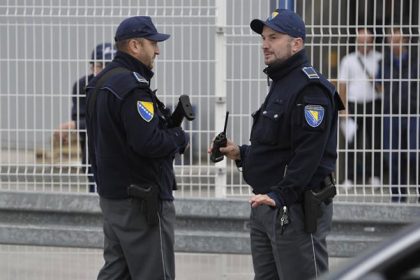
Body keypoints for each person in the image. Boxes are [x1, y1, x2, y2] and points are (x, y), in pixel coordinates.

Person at [209, 9, 344, 279]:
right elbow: (277, 147)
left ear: (296, 44)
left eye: (273, 37)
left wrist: (281, 195)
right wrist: (240, 154)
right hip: (267, 204)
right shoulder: (282, 82)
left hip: (293, 210)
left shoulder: (310, 89)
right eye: (263, 38)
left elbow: (308, 155)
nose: (265, 45)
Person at [85, 16, 189, 279]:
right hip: (142, 203)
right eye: (152, 43)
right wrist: (178, 137)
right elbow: (148, 142)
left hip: (113, 198)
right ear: (134, 45)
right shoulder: (132, 87)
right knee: (155, 273)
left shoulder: (101, 81)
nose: (157, 50)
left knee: (116, 272)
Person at [54, 42, 116, 192]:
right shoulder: (83, 85)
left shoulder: (125, 84)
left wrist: (74, 125)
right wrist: (75, 126)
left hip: (123, 157)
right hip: (94, 155)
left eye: (110, 65)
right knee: (96, 200)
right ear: (92, 67)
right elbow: (82, 122)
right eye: (100, 65)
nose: (105, 71)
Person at [377, 27, 419, 199]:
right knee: (393, 156)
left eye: (397, 40)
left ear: (405, 40)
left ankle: (417, 191)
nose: (394, 44)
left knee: (414, 155)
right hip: (391, 113)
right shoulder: (384, 61)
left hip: (413, 114)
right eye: (391, 40)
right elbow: (378, 83)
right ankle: (398, 196)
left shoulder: (415, 61)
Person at [338, 28, 382, 188]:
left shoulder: (380, 58)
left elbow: (385, 85)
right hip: (354, 105)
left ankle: (375, 175)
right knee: (351, 143)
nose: (363, 44)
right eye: (361, 41)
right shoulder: (348, 60)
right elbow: (342, 86)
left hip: (373, 104)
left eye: (367, 41)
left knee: (375, 142)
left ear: (372, 42)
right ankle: (349, 177)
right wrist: (343, 108)